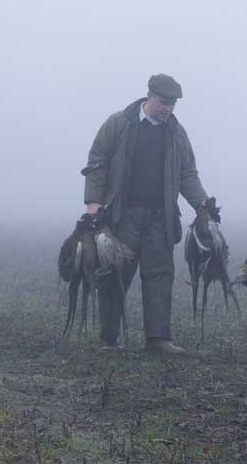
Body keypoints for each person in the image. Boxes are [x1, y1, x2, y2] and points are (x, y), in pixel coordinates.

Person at [83, 74, 210, 355]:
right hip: (122, 215)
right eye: (164, 102)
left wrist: (202, 205)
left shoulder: (176, 133)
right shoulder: (119, 124)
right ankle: (109, 338)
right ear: (149, 96)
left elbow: (188, 173)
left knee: (160, 275)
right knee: (116, 274)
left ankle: (158, 339)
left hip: (160, 217)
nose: (168, 109)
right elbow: (97, 163)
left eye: (173, 104)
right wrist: (93, 202)